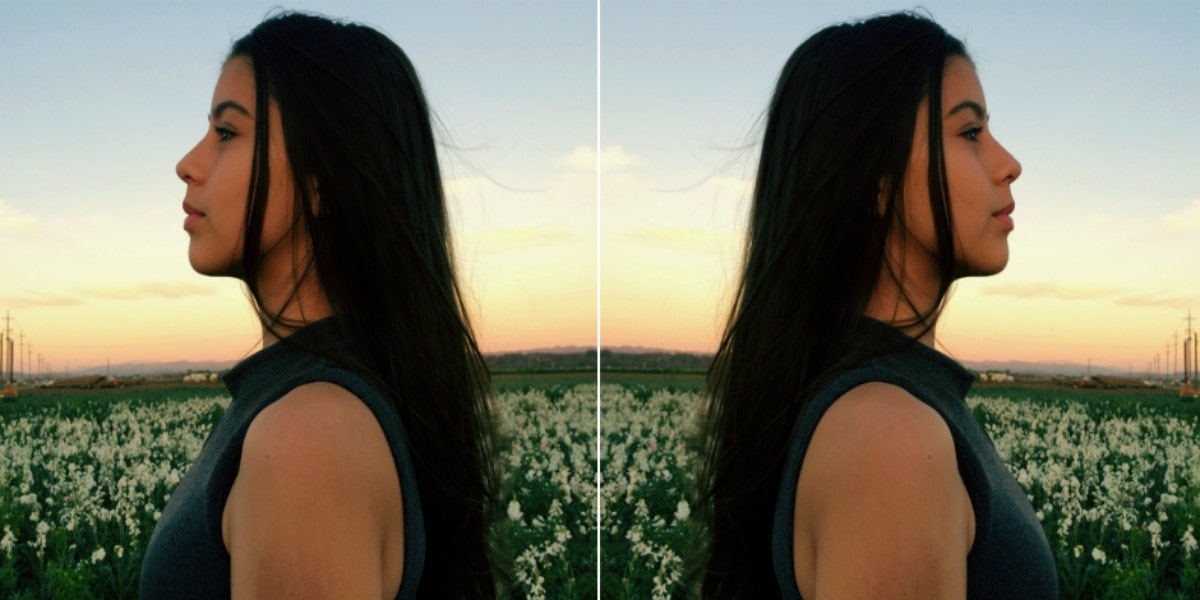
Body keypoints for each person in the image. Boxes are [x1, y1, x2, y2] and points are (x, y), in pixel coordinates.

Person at [697, 12, 1057, 599]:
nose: (1008, 163)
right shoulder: (889, 439)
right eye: (970, 133)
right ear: (876, 181)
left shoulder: (899, 403)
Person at [140, 12, 499, 599]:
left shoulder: (307, 439)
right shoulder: (296, 403)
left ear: (321, 181)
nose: (189, 163)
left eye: (226, 134)